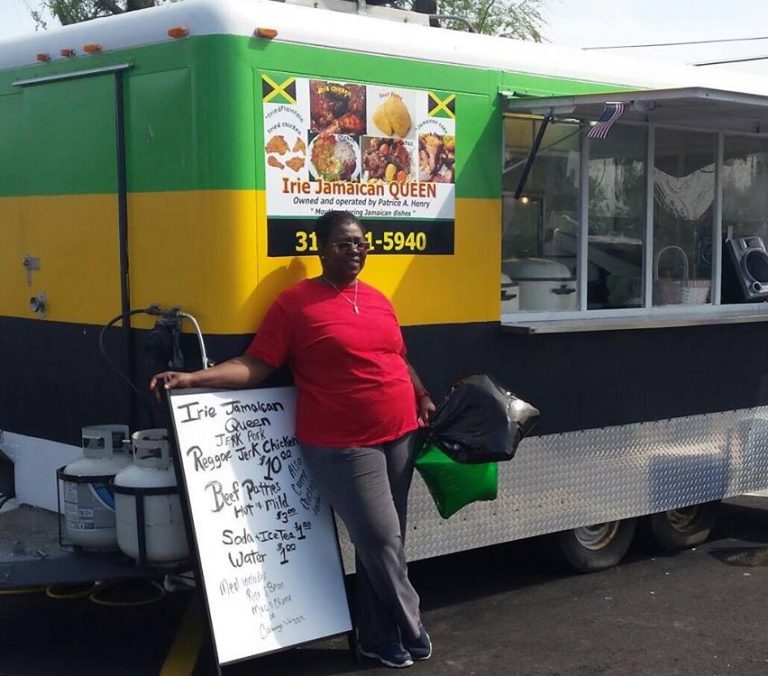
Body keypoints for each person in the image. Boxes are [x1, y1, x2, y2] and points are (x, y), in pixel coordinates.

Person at [150, 210, 436, 669]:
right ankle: (411, 621)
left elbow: (398, 358)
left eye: (361, 242)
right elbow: (257, 363)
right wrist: (193, 379)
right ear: (320, 249)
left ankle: (378, 639)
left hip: (400, 433)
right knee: (382, 538)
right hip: (343, 444)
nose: (356, 250)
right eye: (344, 243)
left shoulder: (380, 299)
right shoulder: (296, 304)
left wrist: (420, 394)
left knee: (382, 543)